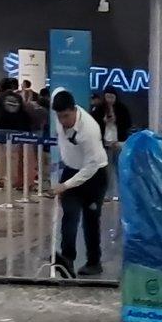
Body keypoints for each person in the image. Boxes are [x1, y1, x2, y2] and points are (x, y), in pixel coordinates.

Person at [46, 91, 110, 279]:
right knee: (70, 214)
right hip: (71, 169)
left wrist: (64, 186)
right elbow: (58, 90)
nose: (63, 121)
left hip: (95, 175)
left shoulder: (89, 130)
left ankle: (94, 262)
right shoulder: (60, 118)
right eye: (59, 116)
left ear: (74, 110)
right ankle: (67, 259)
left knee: (90, 221)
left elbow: (90, 168)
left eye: (66, 116)